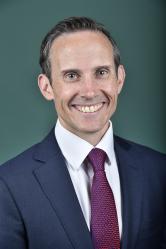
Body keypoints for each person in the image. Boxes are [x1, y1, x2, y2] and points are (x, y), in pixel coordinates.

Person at [0, 16, 165, 249]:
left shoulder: (159, 171)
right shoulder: (7, 185)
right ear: (47, 87)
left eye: (101, 72)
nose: (89, 91)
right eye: (71, 76)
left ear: (119, 79)